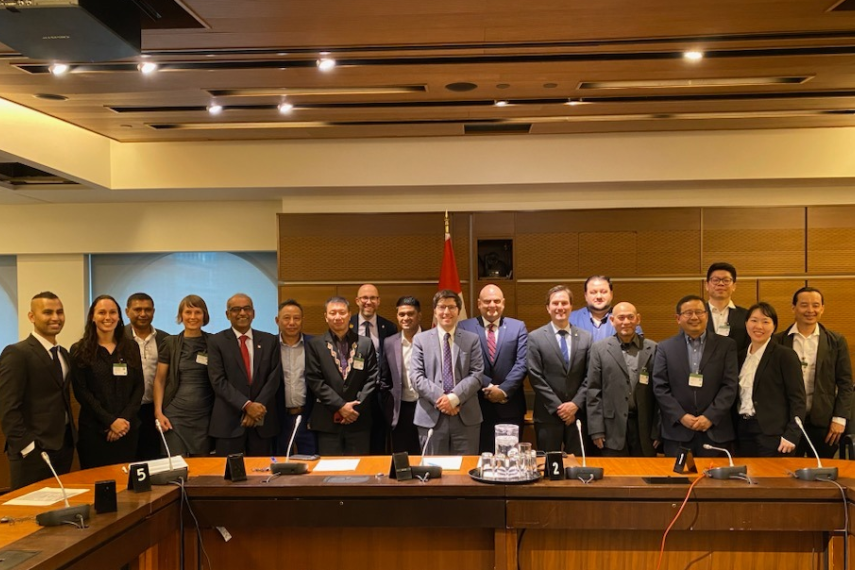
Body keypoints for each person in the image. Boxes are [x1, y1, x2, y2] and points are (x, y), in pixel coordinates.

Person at [0, 292, 76, 489]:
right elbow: (8, 407)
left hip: (63, 447)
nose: (55, 317)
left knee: (58, 510)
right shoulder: (17, 353)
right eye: (48, 312)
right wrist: (27, 446)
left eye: (60, 312)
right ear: (32, 317)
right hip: (33, 451)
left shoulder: (63, 354)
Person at [652, 294, 738, 457]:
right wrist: (681, 416)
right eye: (688, 313)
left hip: (715, 431)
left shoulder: (727, 345)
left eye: (699, 312)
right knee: (680, 481)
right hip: (678, 433)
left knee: (716, 482)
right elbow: (660, 387)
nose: (694, 317)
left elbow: (730, 385)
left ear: (706, 315)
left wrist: (710, 416)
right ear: (678, 318)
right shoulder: (665, 348)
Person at [774, 287, 853, 458]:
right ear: (793, 308)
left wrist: (840, 418)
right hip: (787, 422)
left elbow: (845, 383)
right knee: (786, 474)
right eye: (804, 305)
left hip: (823, 422)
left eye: (816, 305)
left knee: (822, 474)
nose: (810, 310)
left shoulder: (836, 341)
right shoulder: (778, 341)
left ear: (822, 308)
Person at [71, 295, 144, 469]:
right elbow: (82, 392)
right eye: (102, 312)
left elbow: (139, 387)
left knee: (125, 485)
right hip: (94, 432)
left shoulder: (131, 347)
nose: (108, 317)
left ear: (119, 316)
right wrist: (110, 422)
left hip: (127, 430)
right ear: (92, 317)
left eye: (112, 312)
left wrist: (123, 421)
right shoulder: (79, 350)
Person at [410, 290, 484, 455]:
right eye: (442, 307)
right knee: (433, 474)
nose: (446, 312)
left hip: (465, 418)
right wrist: (443, 400)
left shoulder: (472, 339)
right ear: (435, 311)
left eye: (451, 307)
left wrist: (454, 398)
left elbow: (477, 374)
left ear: (458, 311)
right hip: (431, 418)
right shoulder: (420, 340)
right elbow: (416, 377)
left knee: (465, 475)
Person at [458, 284, 528, 453]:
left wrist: (503, 390)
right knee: (481, 459)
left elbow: (522, 363)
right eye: (487, 301)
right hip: (477, 406)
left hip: (510, 405)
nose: (492, 305)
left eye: (496, 301)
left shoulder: (517, 327)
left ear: (503, 303)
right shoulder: (464, 327)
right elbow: (464, 364)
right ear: (479, 304)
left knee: (510, 459)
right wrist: (489, 387)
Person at [208, 293, 280, 456]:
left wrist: (257, 409)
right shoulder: (216, 341)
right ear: (227, 314)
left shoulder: (269, 340)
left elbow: (274, 378)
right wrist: (247, 406)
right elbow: (218, 380)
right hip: (229, 422)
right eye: (236, 309)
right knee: (228, 476)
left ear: (253, 313)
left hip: (262, 422)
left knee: (261, 476)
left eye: (246, 308)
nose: (242, 313)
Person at [306, 296, 378, 455]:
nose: (337, 317)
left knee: (361, 472)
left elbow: (372, 378)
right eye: (333, 313)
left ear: (349, 314)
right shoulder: (315, 345)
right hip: (327, 420)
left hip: (358, 419)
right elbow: (315, 380)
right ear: (326, 316)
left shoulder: (365, 343)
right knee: (330, 472)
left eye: (342, 312)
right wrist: (340, 406)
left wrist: (354, 408)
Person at [585, 302, 659, 457]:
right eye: (621, 317)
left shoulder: (653, 348)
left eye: (630, 317)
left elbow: (660, 393)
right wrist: (596, 430)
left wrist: (657, 430)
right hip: (612, 428)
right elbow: (593, 392)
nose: (626, 322)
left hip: (644, 428)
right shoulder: (599, 349)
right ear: (612, 320)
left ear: (638, 319)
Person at [527, 285, 593, 455]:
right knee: (548, 468)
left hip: (577, 415)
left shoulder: (586, 337)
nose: (560, 308)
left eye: (564, 303)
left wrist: (575, 405)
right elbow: (535, 377)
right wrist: (559, 408)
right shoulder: (535, 337)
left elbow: (590, 375)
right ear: (548, 308)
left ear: (571, 306)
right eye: (555, 303)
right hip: (548, 415)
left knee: (577, 466)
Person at [735, 302, 805, 457]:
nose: (758, 326)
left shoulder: (784, 355)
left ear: (774, 326)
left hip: (774, 434)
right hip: (743, 431)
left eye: (765, 321)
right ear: (746, 323)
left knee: (771, 479)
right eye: (754, 320)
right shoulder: (739, 357)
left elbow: (798, 399)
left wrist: (792, 434)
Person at [153, 295, 214, 456]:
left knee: (203, 471)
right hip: (174, 416)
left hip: (205, 417)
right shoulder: (169, 343)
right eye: (188, 312)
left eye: (197, 312)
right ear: (181, 316)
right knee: (175, 468)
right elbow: (159, 380)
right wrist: (158, 413)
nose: (192, 317)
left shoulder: (214, 343)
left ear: (204, 316)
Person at [350, 283, 397, 454]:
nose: (368, 302)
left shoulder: (389, 327)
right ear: (357, 300)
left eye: (372, 298)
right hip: (355, 393)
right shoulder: (347, 325)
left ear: (378, 301)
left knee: (379, 440)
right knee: (357, 440)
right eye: (364, 298)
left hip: (380, 393)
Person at [124, 292, 170, 461]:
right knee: (129, 458)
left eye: (147, 309)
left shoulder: (165, 339)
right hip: (126, 410)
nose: (143, 314)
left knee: (153, 458)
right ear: (127, 311)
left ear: (154, 311)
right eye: (137, 309)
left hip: (155, 409)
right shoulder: (118, 338)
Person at [378, 296, 423, 455]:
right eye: (401, 314)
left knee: (425, 454)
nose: (406, 318)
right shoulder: (390, 342)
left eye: (410, 314)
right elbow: (384, 379)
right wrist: (390, 406)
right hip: (401, 409)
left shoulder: (430, 339)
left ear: (419, 316)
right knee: (402, 458)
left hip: (426, 407)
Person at [274, 299, 318, 456]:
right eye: (286, 318)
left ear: (302, 320)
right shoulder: (269, 345)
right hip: (279, 417)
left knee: (310, 462)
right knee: (278, 464)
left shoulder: (315, 344)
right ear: (277, 320)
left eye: (296, 318)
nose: (291, 322)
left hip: (307, 417)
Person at [705, 262, 749, 353]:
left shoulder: (746, 316)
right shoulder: (696, 315)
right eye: (715, 280)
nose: (720, 284)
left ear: (734, 286)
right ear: (707, 285)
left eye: (726, 280)